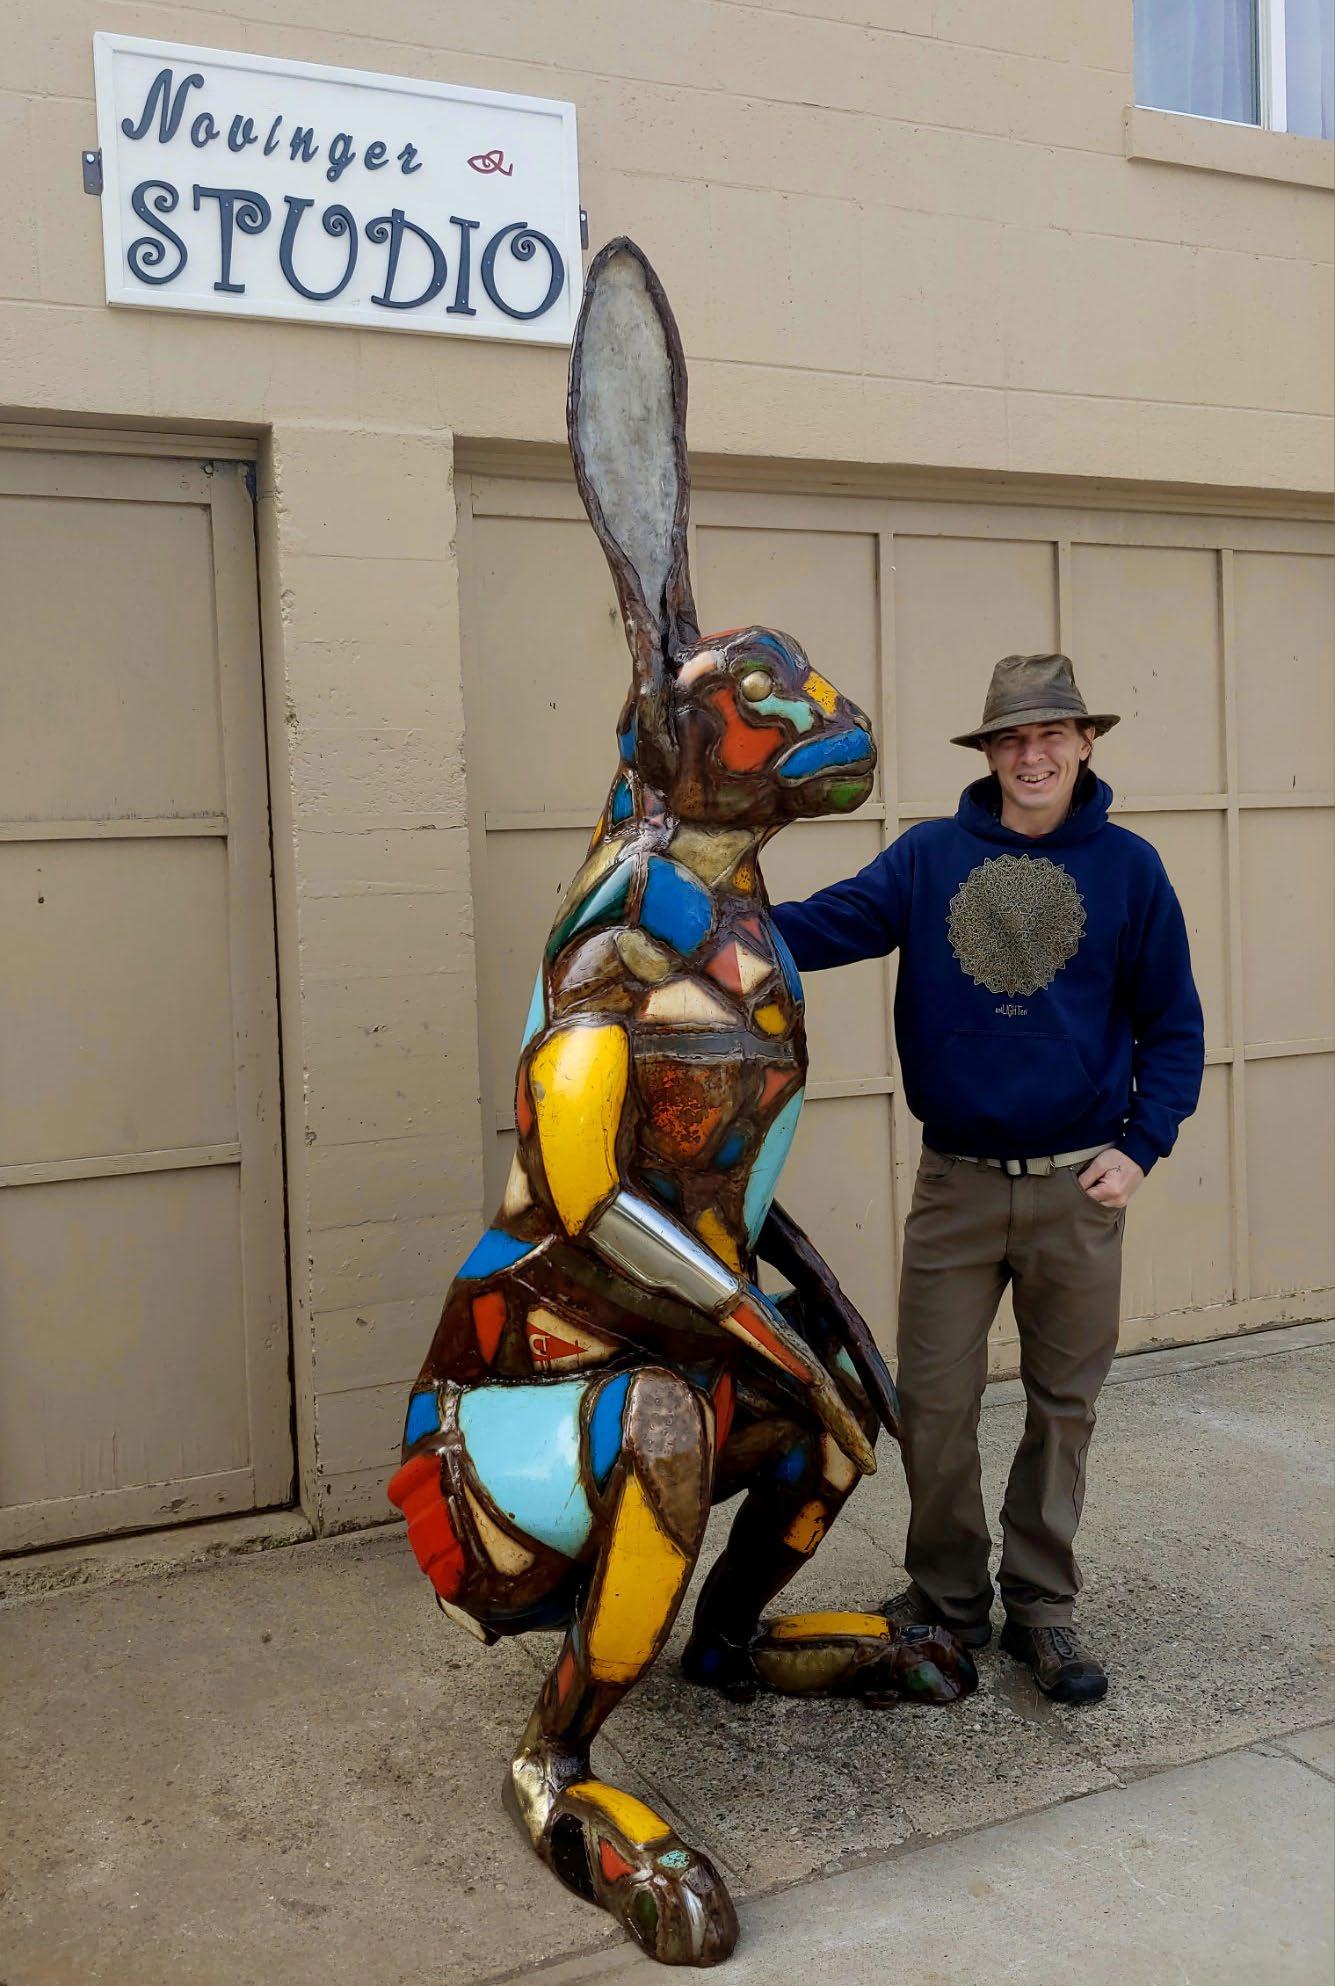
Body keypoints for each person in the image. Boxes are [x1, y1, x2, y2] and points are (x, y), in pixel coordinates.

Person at [772, 652, 1205, 1704]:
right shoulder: (929, 859)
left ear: (1085, 743)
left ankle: (1042, 1607)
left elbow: (1174, 1026)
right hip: (956, 1187)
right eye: (1012, 738)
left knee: (1064, 1405)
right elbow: (816, 927)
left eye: (1051, 734)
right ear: (989, 753)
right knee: (932, 1402)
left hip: (1076, 1187)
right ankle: (949, 1600)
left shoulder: (1131, 870)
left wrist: (1140, 1146)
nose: (1032, 755)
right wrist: (702, 913)